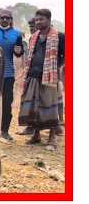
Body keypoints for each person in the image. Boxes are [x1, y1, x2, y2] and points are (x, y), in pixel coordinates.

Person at [19, 9, 63, 148]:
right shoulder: (33, 37)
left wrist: (55, 67)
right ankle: (36, 136)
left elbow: (66, 55)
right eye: (36, 19)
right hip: (32, 76)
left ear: (49, 20)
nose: (38, 22)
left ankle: (51, 140)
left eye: (41, 19)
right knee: (34, 107)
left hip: (49, 78)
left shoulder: (59, 36)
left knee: (50, 108)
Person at [0, 7, 25, 142]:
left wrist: (18, 51)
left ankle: (4, 131)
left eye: (8, 17)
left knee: (7, 104)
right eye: (2, 17)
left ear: (11, 20)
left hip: (8, 74)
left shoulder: (17, 34)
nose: (5, 19)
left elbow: (18, 53)